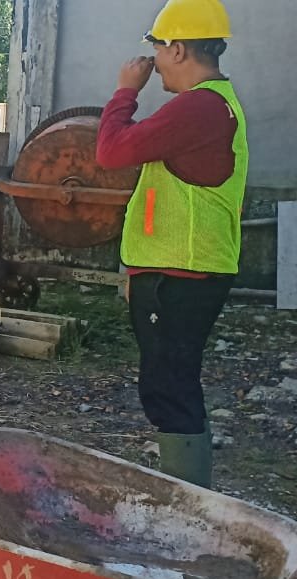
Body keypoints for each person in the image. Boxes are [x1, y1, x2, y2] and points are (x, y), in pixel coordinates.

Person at [95, 0, 245, 488]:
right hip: (180, 266)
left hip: (182, 269)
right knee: (169, 385)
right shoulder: (210, 104)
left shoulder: (200, 106)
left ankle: (190, 508)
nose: (153, 59)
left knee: (170, 389)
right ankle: (187, 495)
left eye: (157, 47)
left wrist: (124, 92)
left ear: (177, 48)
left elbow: (111, 151)